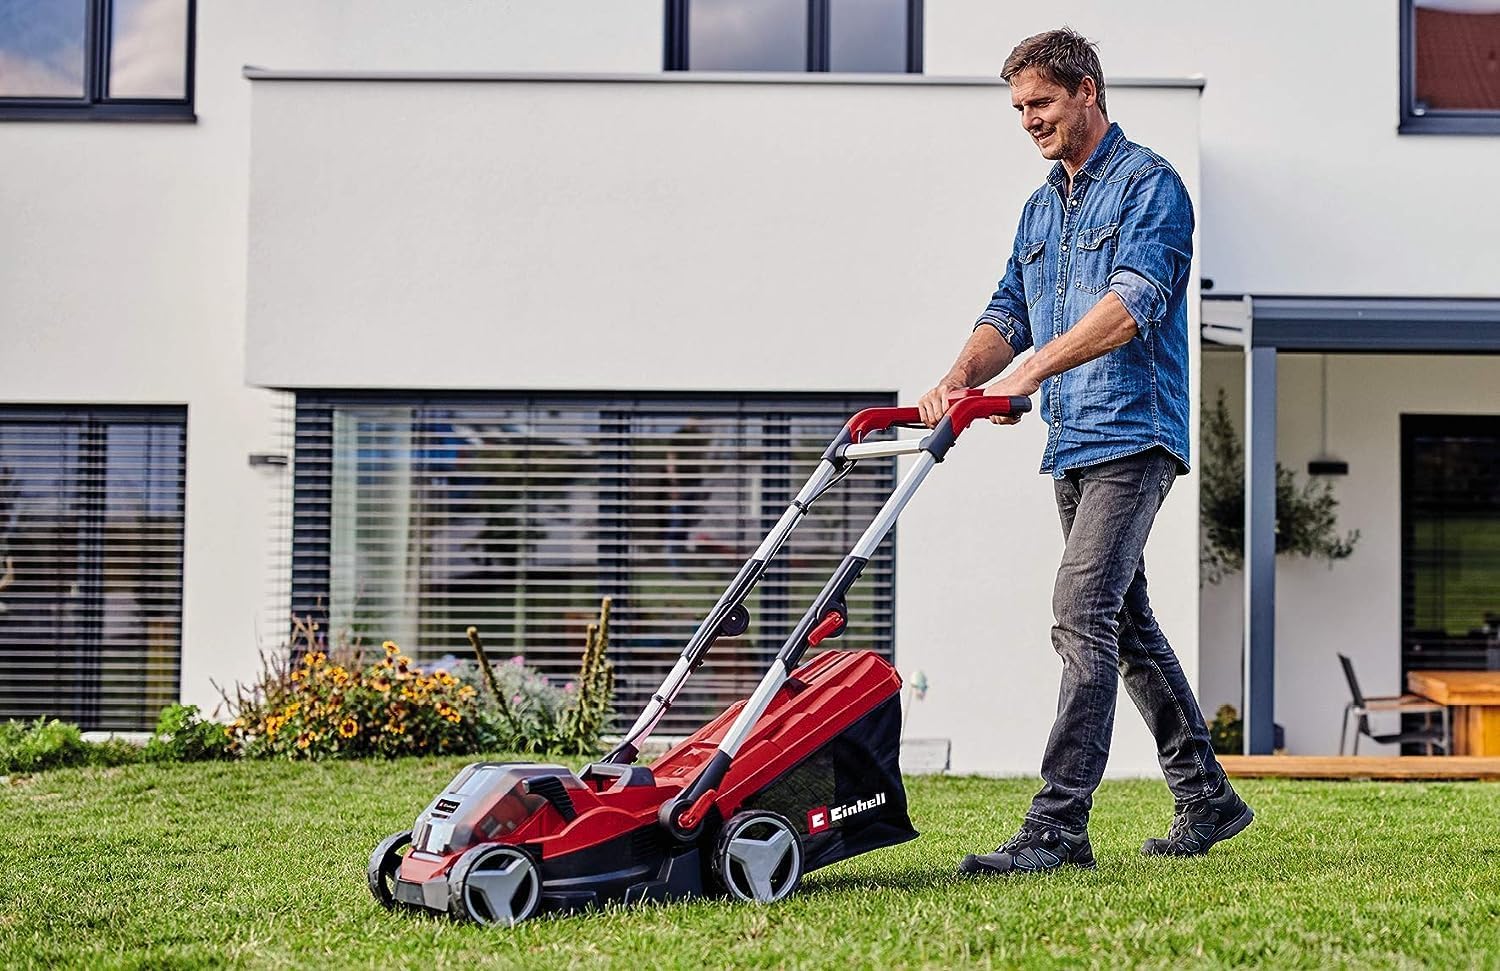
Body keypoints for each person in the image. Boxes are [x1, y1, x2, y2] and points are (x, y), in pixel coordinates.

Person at [917, 28, 1253, 875]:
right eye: (1021, 108)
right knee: (1125, 621)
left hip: (1134, 431)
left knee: (1080, 611)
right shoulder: (1040, 209)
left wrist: (1032, 370)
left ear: (1088, 93)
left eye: (1042, 103)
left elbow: (1132, 304)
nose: (1029, 120)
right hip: (1070, 438)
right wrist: (961, 377)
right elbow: (1008, 312)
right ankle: (1206, 796)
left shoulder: (1151, 187)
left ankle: (1058, 826)